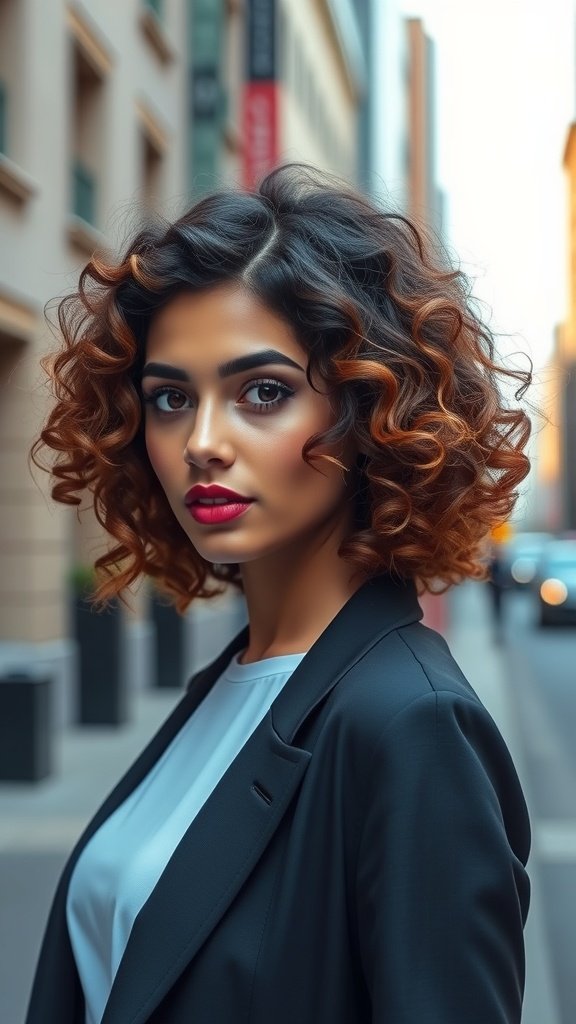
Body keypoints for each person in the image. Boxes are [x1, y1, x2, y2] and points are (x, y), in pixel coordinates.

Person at [27, 164, 532, 1024]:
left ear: (368, 410)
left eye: (263, 392)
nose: (203, 442)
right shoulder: (232, 684)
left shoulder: (411, 725)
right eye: (171, 398)